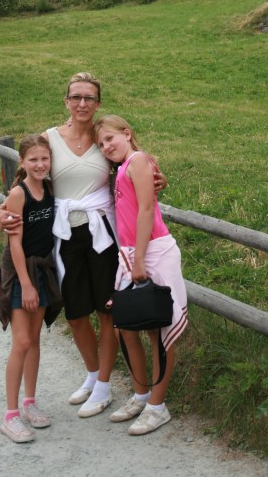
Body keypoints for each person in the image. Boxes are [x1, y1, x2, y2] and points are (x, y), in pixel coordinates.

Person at [0, 72, 167, 420]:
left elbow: (134, 165)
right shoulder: (50, 138)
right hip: (64, 234)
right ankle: (92, 374)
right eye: (76, 97)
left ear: (98, 103)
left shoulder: (105, 139)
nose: (82, 103)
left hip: (102, 230)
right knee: (75, 314)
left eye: (89, 97)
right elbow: (26, 179)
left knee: (107, 311)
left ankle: (103, 384)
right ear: (66, 101)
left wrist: (158, 177)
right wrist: (2, 211)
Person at [93, 114, 188, 436]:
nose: (106, 147)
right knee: (125, 326)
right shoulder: (122, 168)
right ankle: (142, 394)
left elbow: (147, 209)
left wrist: (140, 260)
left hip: (152, 252)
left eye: (110, 139)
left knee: (160, 330)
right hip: (131, 253)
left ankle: (158, 407)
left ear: (126, 133)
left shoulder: (138, 161)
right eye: (101, 144)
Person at [0, 134, 63, 444]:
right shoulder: (18, 194)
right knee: (21, 341)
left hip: (43, 269)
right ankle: (10, 416)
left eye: (44, 159)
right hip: (21, 272)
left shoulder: (49, 188)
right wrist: (25, 284)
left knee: (34, 339)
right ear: (21, 162)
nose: (40, 164)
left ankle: (30, 401)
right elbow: (15, 244)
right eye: (33, 159)